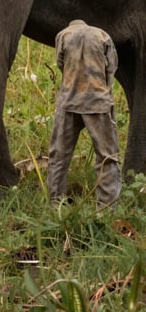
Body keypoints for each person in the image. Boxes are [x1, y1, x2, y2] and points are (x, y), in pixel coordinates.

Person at [46, 19, 121, 209]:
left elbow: (60, 63)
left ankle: (56, 204)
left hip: (68, 102)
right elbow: (111, 67)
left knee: (59, 156)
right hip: (97, 103)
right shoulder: (102, 35)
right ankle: (106, 208)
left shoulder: (63, 35)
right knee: (107, 157)